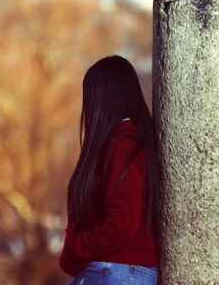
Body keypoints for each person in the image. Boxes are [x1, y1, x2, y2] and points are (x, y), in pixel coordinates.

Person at [59, 55, 159, 284]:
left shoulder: (124, 144)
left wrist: (76, 249)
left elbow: (122, 223)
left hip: (119, 271)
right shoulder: (126, 141)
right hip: (117, 271)